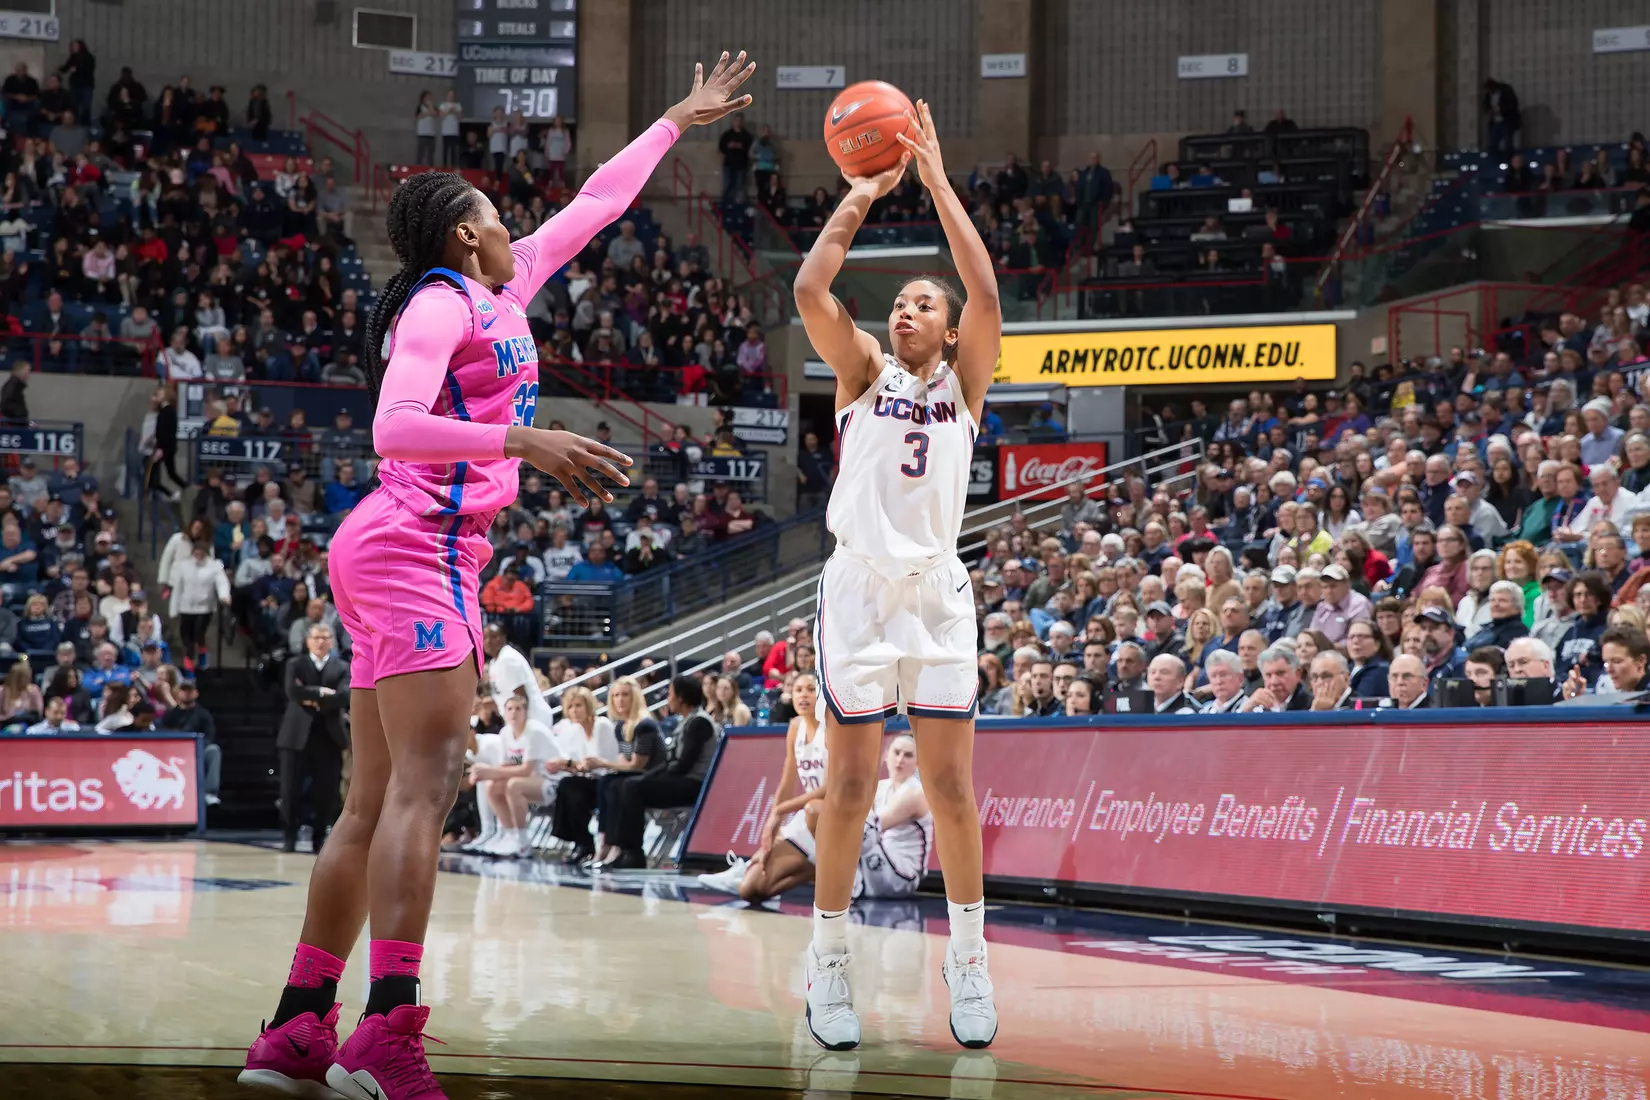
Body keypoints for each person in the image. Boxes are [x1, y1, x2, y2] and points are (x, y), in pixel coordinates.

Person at [239, 51, 755, 1100]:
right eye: (496, 212)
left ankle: (297, 1030)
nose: (518, 222)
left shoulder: (507, 284)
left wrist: (672, 119)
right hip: (413, 544)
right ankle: (385, 1034)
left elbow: (597, 202)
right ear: (465, 233)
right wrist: (523, 440)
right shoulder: (440, 305)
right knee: (423, 792)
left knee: (371, 800)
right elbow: (389, 424)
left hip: (408, 549)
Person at [793, 98, 999, 1051]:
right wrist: (864, 194)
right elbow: (809, 289)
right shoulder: (862, 374)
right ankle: (828, 963)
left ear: (950, 334)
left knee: (952, 789)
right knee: (848, 785)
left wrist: (938, 183)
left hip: (938, 595)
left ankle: (969, 959)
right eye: (901, 300)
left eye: (925, 303)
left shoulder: (963, 389)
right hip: (860, 589)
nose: (905, 308)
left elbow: (987, 295)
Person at [698, 672, 825, 895]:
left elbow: (834, 787)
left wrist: (780, 811)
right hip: (807, 818)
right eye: (798, 690)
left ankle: (832, 866)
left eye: (811, 689)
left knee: (813, 808)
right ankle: (814, 871)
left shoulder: (833, 727)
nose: (803, 695)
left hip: (836, 815)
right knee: (751, 889)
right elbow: (787, 783)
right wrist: (772, 827)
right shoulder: (795, 727)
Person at [277, 623, 350, 854]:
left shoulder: (342, 666)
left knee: (326, 791)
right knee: (290, 789)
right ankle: (289, 836)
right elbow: (292, 692)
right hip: (296, 735)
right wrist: (322, 693)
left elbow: (345, 695)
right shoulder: (295, 664)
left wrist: (310, 696)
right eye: (316, 637)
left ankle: (320, 837)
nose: (320, 641)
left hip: (329, 735)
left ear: (331, 640)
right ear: (308, 640)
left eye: (325, 637)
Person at [469, 694, 561, 858]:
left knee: (513, 785)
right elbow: (507, 765)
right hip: (528, 781)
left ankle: (522, 840)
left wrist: (491, 771)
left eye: (518, 709)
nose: (513, 713)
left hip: (553, 781)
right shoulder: (505, 733)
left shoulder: (534, 731)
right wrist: (485, 772)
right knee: (492, 786)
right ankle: (509, 835)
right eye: (509, 709)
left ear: (526, 712)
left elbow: (526, 770)